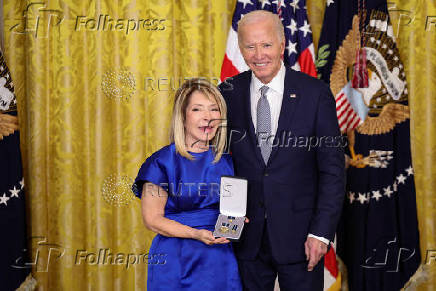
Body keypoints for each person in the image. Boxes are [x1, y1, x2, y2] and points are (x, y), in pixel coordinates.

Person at [218, 10, 345, 291]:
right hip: (244, 240)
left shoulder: (315, 94)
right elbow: (217, 163)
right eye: (250, 46)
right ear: (240, 48)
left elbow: (332, 171)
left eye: (266, 45)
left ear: (281, 43)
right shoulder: (226, 92)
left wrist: (321, 234)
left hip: (301, 239)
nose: (258, 54)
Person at [133, 78, 242, 290]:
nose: (208, 117)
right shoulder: (161, 162)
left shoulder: (229, 162)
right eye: (197, 109)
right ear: (182, 116)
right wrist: (195, 233)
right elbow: (152, 219)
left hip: (220, 260)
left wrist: (237, 219)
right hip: (176, 259)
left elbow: (231, 210)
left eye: (214, 109)